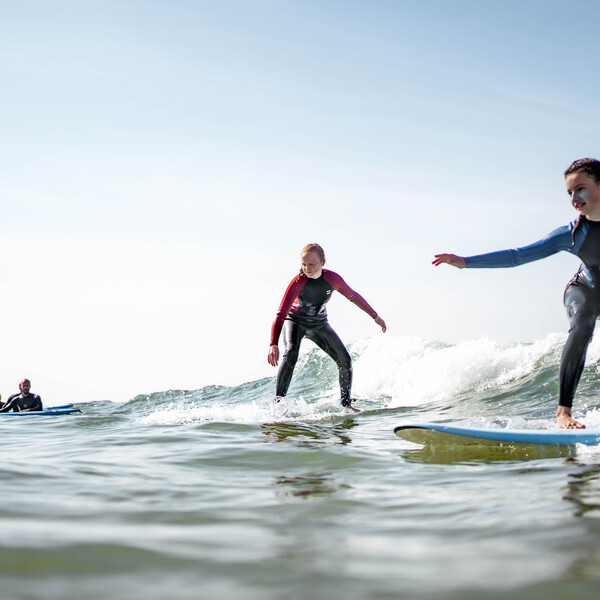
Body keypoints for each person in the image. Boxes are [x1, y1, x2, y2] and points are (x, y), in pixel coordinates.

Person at [433, 157, 600, 430]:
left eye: (580, 189)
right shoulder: (571, 234)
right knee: (583, 323)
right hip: (585, 290)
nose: (574, 198)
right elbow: (517, 256)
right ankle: (563, 413)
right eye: (569, 192)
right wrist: (466, 261)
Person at [268, 243, 386, 409]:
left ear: (322, 262)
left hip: (319, 323)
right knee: (291, 353)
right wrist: (273, 343)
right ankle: (278, 404)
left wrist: (375, 317)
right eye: (304, 264)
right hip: (295, 321)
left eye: (311, 264)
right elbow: (280, 314)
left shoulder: (332, 279)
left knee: (345, 360)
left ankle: (346, 404)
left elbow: (353, 296)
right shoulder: (297, 282)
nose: (307, 268)